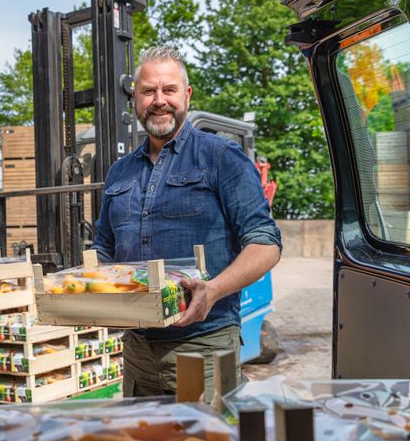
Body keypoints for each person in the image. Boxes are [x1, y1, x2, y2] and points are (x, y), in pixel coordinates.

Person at [93, 46, 282, 397]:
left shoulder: (220, 157)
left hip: (203, 347)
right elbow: (103, 247)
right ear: (135, 97)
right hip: (137, 353)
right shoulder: (120, 172)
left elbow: (266, 243)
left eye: (169, 90)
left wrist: (213, 290)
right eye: (149, 91)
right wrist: (90, 287)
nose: (159, 100)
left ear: (187, 95)